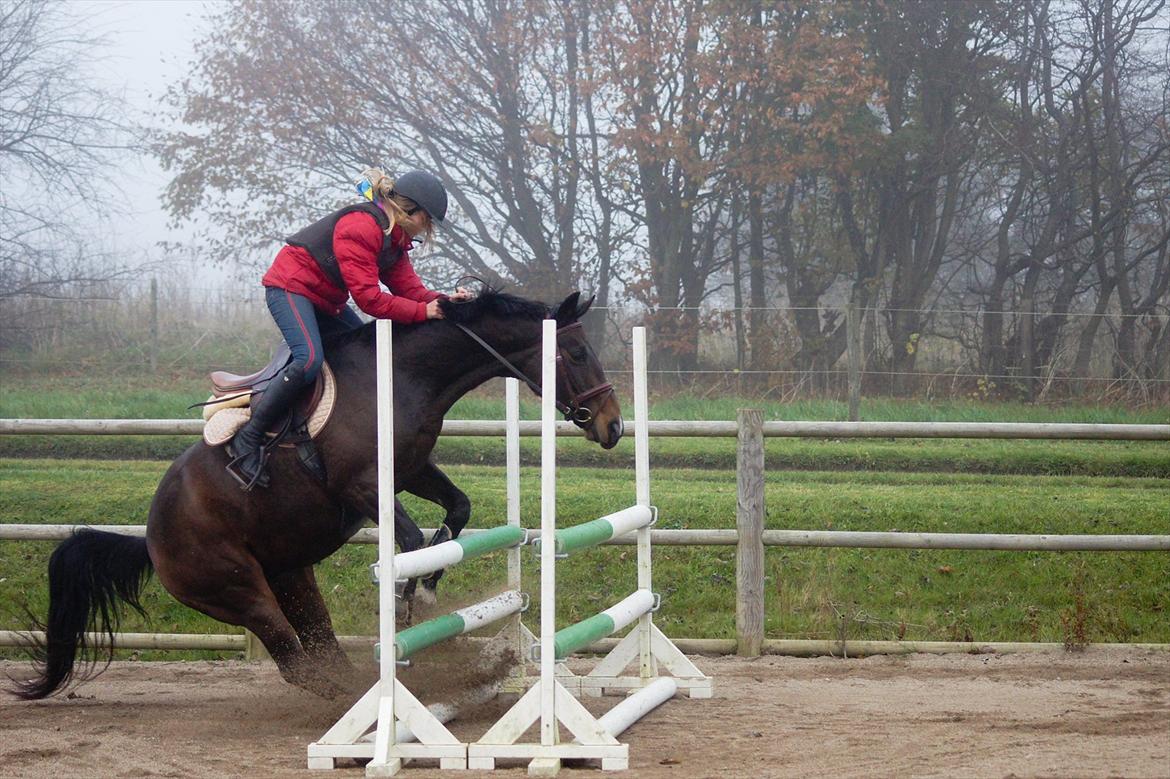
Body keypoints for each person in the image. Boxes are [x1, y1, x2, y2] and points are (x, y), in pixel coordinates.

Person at [226, 168, 471, 490]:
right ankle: (249, 437)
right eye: (429, 221)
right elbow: (370, 300)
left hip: (326, 301)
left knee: (363, 355)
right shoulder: (361, 226)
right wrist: (424, 311)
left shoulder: (394, 240)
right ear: (413, 211)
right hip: (291, 290)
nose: (428, 231)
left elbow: (410, 290)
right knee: (309, 359)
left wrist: (444, 301)